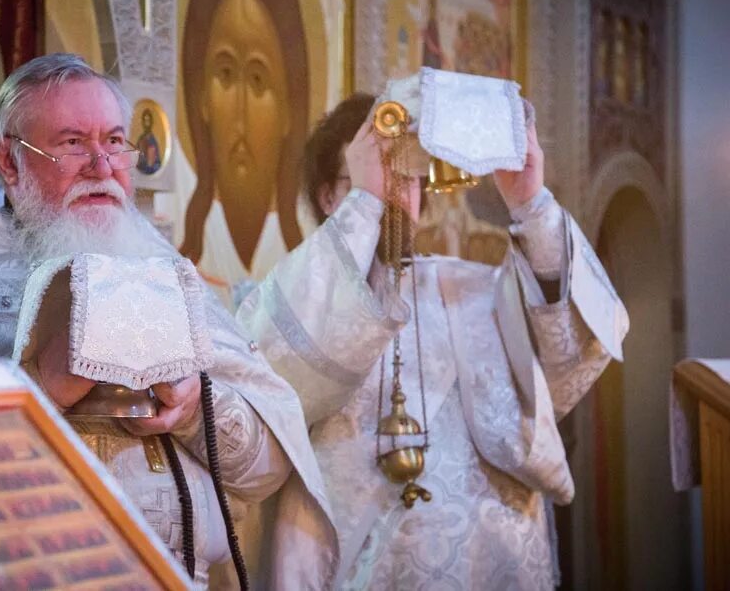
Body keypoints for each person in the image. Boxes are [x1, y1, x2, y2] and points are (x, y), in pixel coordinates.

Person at [0, 53, 336, 588]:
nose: (102, 167)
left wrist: (192, 411)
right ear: (9, 161)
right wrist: (39, 389)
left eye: (113, 142)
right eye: (72, 143)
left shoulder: (165, 277)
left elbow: (268, 472)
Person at [236, 92, 629, 588]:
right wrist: (365, 206)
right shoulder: (282, 301)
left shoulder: (476, 290)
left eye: (409, 177)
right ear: (329, 196)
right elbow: (275, 381)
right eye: (376, 176)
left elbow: (572, 352)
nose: (399, 193)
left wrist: (531, 205)